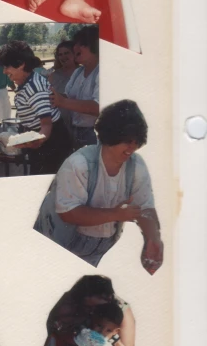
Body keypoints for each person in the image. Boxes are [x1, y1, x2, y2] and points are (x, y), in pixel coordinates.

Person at [34, 100, 164, 273]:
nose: (132, 147)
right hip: (54, 248)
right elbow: (69, 213)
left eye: (137, 141)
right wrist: (116, 214)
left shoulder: (136, 166)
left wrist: (153, 238)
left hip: (95, 252)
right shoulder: (79, 164)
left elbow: (146, 207)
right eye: (126, 140)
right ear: (110, 136)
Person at [0, 41, 72, 175]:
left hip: (51, 143)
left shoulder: (34, 88)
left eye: (7, 66)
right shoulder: (26, 82)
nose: (4, 71)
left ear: (21, 64)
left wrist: (37, 142)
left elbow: (46, 125)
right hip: (41, 138)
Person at [47, 274, 135, 346]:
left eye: (97, 308)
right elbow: (56, 336)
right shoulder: (67, 307)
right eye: (87, 307)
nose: (92, 312)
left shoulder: (118, 307)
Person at [50, 26, 100, 150]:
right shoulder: (78, 72)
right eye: (75, 45)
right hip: (74, 131)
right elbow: (67, 96)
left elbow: (99, 107)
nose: (75, 48)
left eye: (81, 44)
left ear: (95, 46)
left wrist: (62, 101)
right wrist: (49, 96)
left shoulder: (102, 72)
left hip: (94, 134)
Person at [48, 40, 78, 136]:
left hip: (79, 123)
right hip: (59, 124)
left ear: (74, 54)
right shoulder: (53, 75)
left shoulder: (82, 73)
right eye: (60, 54)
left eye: (66, 53)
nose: (63, 57)